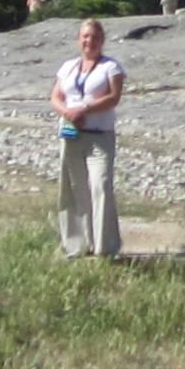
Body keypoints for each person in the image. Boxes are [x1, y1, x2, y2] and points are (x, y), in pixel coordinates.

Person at [49, 19, 125, 258]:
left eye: (94, 37)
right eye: (85, 37)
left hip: (99, 136)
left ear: (101, 41)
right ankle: (75, 244)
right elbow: (56, 96)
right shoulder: (68, 67)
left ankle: (106, 246)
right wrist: (67, 112)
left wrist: (85, 109)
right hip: (71, 133)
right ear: (79, 39)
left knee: (100, 186)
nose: (89, 41)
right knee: (72, 188)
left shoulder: (111, 67)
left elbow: (113, 97)